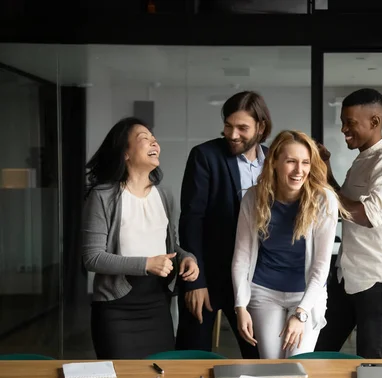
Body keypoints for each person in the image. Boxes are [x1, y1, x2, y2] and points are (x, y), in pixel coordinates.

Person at [82, 117, 199, 359]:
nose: (154, 143)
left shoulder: (164, 196)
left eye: (154, 140)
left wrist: (187, 258)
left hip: (157, 304)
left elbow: (169, 246)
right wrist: (146, 264)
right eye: (144, 139)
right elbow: (92, 258)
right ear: (125, 153)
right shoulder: (102, 196)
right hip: (116, 309)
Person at [232, 130, 343, 359]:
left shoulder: (324, 200)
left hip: (305, 293)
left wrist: (301, 313)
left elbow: (321, 267)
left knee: (296, 363)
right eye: (291, 161)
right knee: (272, 363)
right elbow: (241, 258)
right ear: (274, 162)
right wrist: (240, 306)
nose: (299, 170)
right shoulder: (253, 198)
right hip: (264, 291)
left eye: (305, 162)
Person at [176, 91, 272, 358]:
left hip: (254, 280)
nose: (232, 134)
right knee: (191, 356)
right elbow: (192, 218)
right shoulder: (205, 156)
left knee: (257, 358)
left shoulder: (274, 161)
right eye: (228, 126)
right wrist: (195, 283)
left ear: (261, 127)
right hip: (208, 274)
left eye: (242, 128)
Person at [314, 88, 382, 359]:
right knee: (317, 351)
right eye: (343, 121)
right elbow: (344, 202)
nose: (344, 129)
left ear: (375, 122)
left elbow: (369, 215)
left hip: (376, 279)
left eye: (350, 122)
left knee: (370, 361)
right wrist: (325, 167)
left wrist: (329, 200)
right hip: (347, 274)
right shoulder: (364, 157)